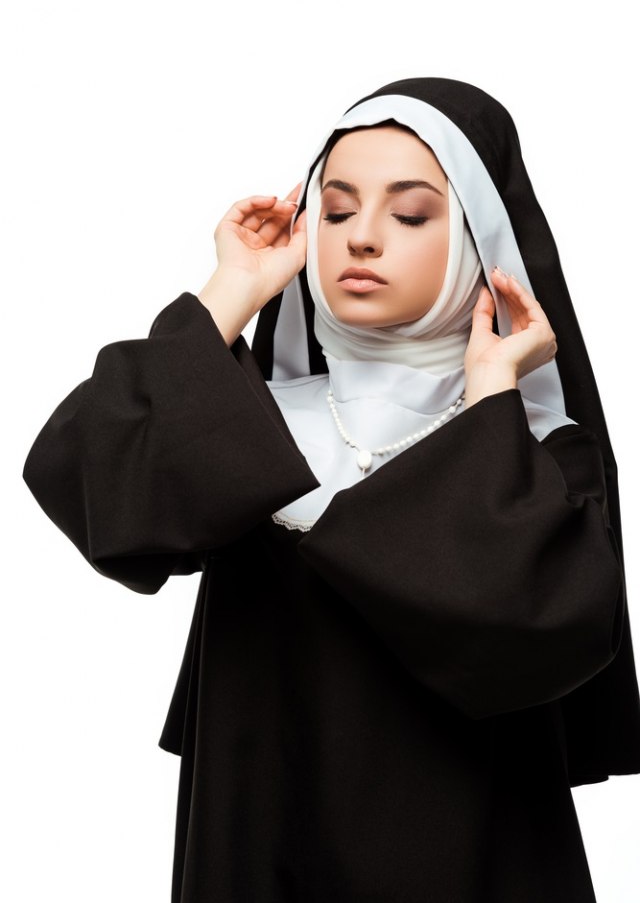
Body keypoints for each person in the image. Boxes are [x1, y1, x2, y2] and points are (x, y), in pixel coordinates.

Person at [22, 77, 640, 902]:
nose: (363, 238)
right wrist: (232, 291)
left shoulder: (538, 452)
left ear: (479, 242)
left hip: (469, 863)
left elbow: (524, 635)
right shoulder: (246, 419)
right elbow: (94, 490)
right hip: (256, 852)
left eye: (410, 215)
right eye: (338, 210)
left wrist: (492, 392)